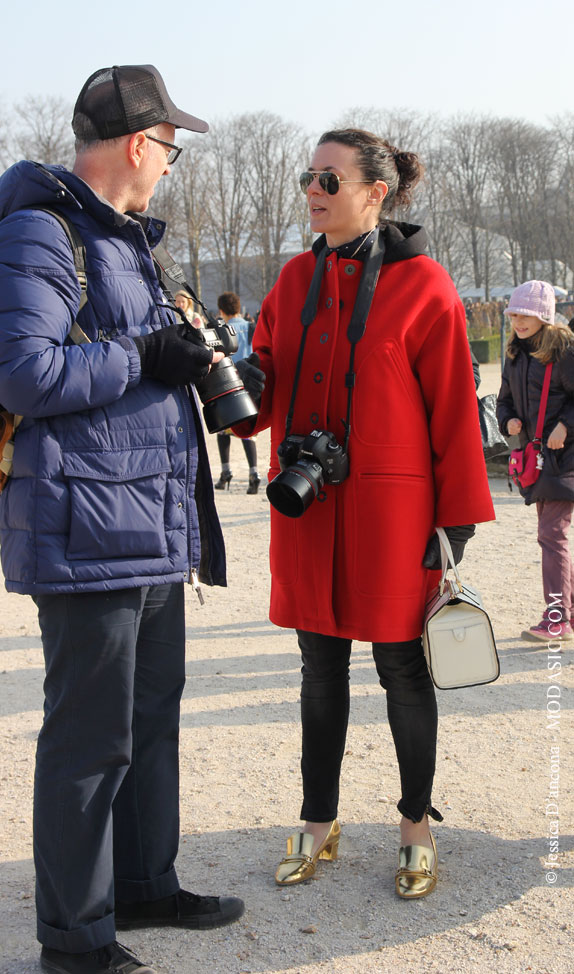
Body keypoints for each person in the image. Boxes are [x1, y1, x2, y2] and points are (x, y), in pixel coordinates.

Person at [0, 64, 244, 974]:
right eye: (170, 149)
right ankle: (77, 938)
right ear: (140, 145)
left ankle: (143, 882)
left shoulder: (126, 242)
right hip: (86, 526)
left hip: (146, 520)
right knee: (88, 740)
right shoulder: (39, 231)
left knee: (149, 719)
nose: (171, 165)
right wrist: (146, 354)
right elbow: (22, 372)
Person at [235, 128, 495, 899]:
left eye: (330, 178)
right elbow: (263, 382)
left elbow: (453, 410)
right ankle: (320, 822)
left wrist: (456, 522)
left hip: (393, 515)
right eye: (308, 176)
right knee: (319, 670)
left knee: (402, 670)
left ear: (376, 194)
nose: (314, 189)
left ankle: (416, 825)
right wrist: (231, 378)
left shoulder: (427, 286)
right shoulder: (290, 279)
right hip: (307, 507)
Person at [497, 280, 574, 642]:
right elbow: (504, 400)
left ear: (543, 315)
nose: (518, 320)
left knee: (551, 535)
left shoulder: (564, 350)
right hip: (537, 458)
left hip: (566, 457)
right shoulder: (514, 353)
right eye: (514, 313)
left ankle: (558, 618)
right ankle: (565, 614)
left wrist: (564, 425)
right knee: (552, 536)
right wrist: (507, 420)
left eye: (525, 314)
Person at [214, 292, 260, 494]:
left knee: (224, 430)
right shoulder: (250, 327)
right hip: (249, 386)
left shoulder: (222, 329)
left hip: (228, 385)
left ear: (221, 310)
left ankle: (225, 472)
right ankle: (254, 473)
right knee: (248, 432)